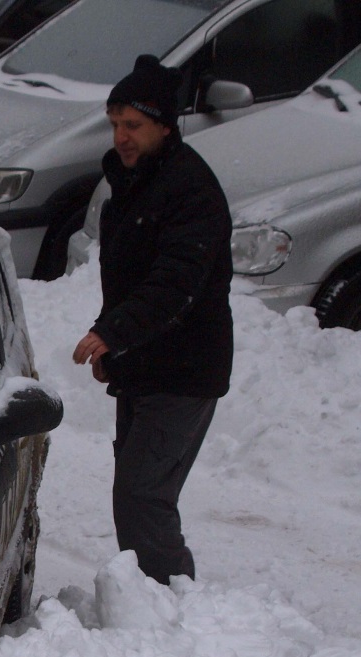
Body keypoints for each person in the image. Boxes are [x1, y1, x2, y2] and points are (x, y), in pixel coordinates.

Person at [72, 54, 233, 585]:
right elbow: (127, 280)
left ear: (165, 125)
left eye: (134, 125)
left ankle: (173, 600)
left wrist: (113, 334)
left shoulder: (190, 191)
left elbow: (174, 285)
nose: (121, 136)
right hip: (145, 364)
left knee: (144, 495)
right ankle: (145, 597)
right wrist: (111, 344)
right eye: (116, 124)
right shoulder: (133, 182)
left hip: (184, 371)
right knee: (134, 493)